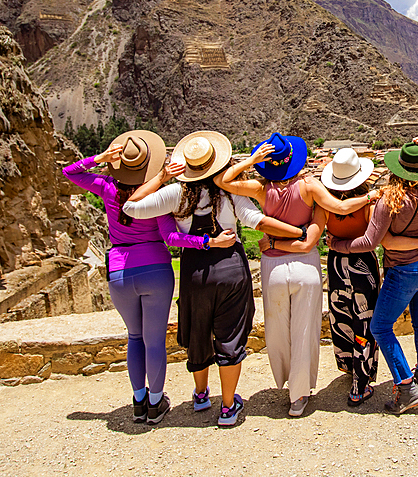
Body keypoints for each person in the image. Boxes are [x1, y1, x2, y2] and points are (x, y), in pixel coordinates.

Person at [122, 131, 302, 427]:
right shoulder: (230, 193)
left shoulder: (176, 194)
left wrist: (162, 177)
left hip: (195, 271)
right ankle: (228, 407)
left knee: (198, 331)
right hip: (230, 268)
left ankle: (201, 394)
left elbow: (131, 207)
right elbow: (256, 221)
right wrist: (297, 232)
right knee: (229, 335)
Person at [264, 147, 418, 407]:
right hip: (362, 266)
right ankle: (361, 383)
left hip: (336, 264)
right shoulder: (370, 203)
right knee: (364, 322)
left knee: (341, 316)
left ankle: (350, 369)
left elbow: (315, 236)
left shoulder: (325, 204)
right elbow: (373, 241)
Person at [217, 133, 375, 417]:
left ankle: (286, 380)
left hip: (273, 267)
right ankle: (299, 396)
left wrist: (250, 161)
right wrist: (370, 196)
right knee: (305, 330)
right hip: (305, 266)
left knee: (279, 330)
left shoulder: (260, 188)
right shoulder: (309, 186)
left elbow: (223, 181)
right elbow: (338, 208)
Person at [63, 130, 208, 425]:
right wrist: (205, 242)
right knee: (154, 341)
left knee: (134, 337)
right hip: (155, 268)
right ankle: (156, 403)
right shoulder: (155, 198)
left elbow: (70, 172)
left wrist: (99, 159)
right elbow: (171, 237)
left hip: (119, 271)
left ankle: (139, 400)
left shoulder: (106, 188)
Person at [329, 137, 418, 415]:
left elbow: (370, 242)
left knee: (381, 327)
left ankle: (406, 387)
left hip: (404, 270)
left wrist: (338, 245)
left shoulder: (390, 201)